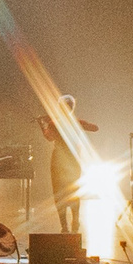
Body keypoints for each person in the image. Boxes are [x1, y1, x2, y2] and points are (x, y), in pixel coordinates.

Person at [39, 93, 98, 234]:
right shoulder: (75, 122)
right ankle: (75, 221)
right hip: (73, 159)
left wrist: (43, 125)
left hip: (58, 159)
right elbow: (95, 128)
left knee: (58, 193)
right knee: (74, 190)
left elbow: (48, 137)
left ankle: (64, 226)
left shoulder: (54, 123)